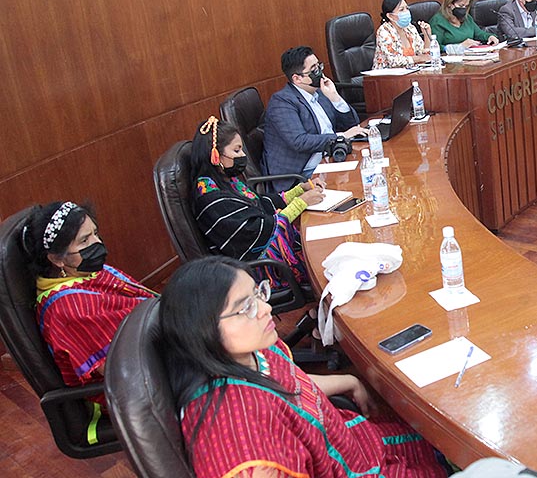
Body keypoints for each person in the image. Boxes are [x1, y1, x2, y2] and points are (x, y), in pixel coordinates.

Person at [159, 257, 449, 478]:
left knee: (441, 440)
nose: (266, 308)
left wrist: (350, 381)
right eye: (246, 307)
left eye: (258, 294)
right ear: (202, 329)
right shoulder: (242, 444)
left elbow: (293, 384)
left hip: (353, 445)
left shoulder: (250, 352)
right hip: (349, 466)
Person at [20, 201, 156, 400]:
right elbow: (123, 371)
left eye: (95, 233)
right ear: (57, 259)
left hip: (154, 348)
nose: (97, 243)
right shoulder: (67, 309)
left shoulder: (86, 271)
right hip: (134, 393)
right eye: (84, 240)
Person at [192, 116, 325, 287]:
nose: (243, 155)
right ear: (216, 156)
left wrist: (299, 190)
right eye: (237, 150)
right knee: (323, 258)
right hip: (259, 269)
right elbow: (256, 230)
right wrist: (300, 203)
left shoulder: (225, 181)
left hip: (267, 254)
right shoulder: (210, 199)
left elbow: (258, 204)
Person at [262, 46, 367, 191]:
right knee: (360, 184)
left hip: (330, 159)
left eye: (319, 66)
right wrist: (340, 137)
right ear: (297, 78)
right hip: (301, 174)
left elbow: (352, 125)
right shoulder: (282, 102)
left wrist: (335, 98)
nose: (320, 73)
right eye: (314, 70)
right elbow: (299, 142)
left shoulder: (320, 93)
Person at [427, 0, 498, 51]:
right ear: (450, 4)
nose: (463, 9)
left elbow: (479, 34)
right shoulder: (438, 21)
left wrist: (490, 36)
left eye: (466, 6)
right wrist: (460, 46)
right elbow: (435, 47)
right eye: (461, 5)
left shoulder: (467, 18)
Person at [373, 0, 433, 68]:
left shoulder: (410, 28)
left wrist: (427, 35)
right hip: (387, 73)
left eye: (407, 8)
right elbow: (394, 61)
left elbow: (423, 54)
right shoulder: (384, 32)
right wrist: (419, 59)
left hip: (411, 71)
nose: (406, 12)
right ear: (390, 16)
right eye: (401, 10)